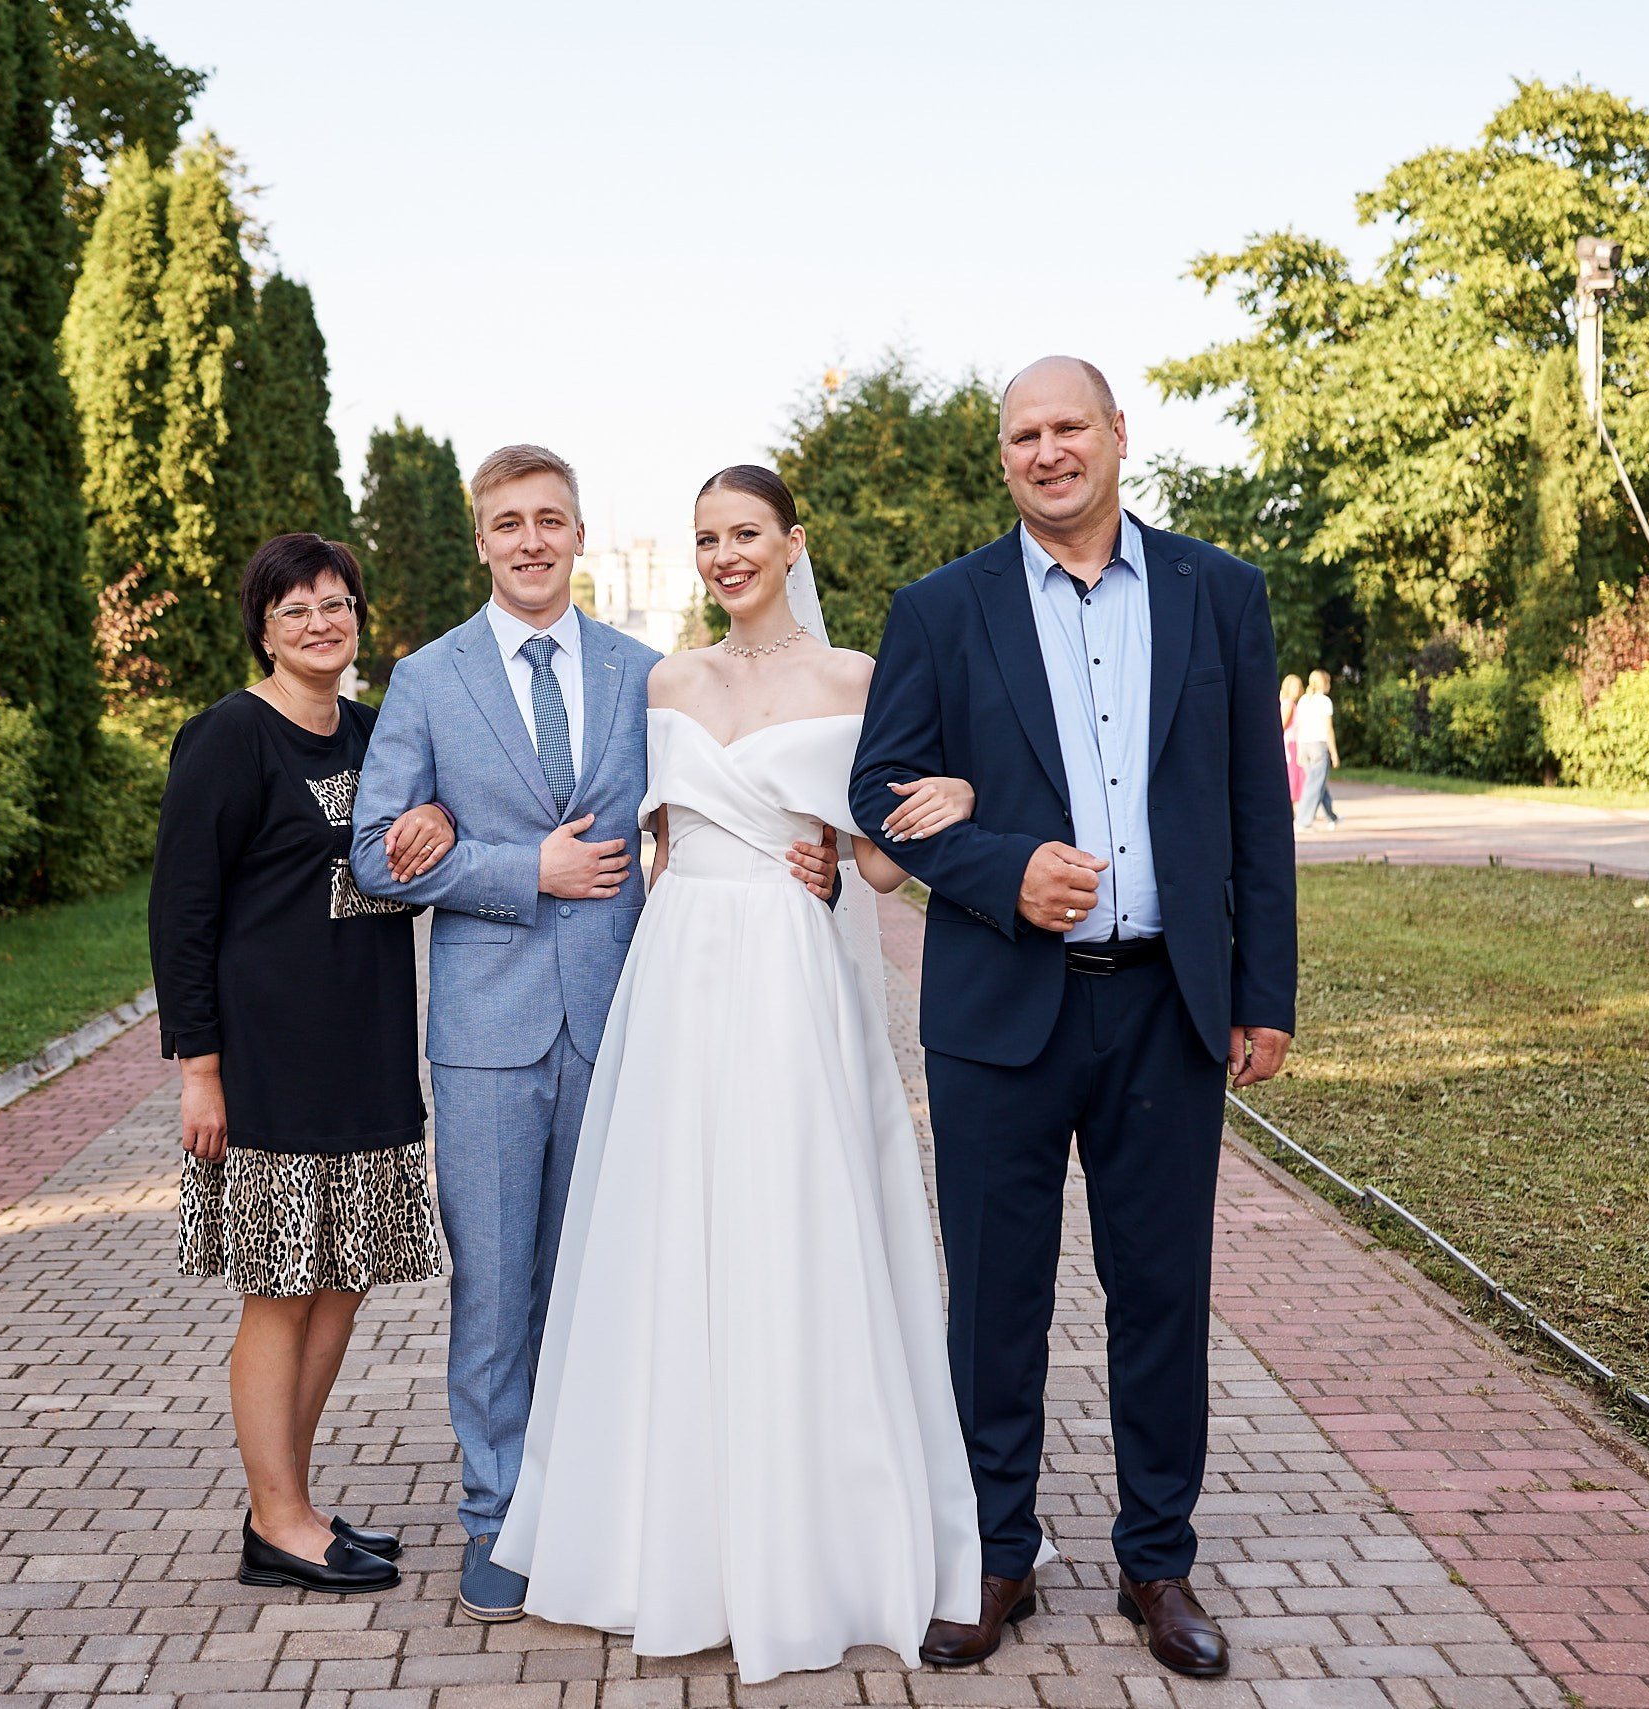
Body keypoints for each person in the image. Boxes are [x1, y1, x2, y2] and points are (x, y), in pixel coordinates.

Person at [491, 467, 986, 1682]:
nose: (724, 555)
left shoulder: (856, 678)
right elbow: (648, 834)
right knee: (672, 1233)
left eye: (745, 534)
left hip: (790, 966)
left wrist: (950, 800)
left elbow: (877, 863)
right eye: (707, 537)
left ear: (789, 542)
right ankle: (668, 1533)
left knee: (793, 1225)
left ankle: (812, 1533)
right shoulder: (667, 679)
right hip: (682, 972)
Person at [850, 357, 1297, 1678]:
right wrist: (1004, 868)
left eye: (1067, 428)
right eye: (1022, 435)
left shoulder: (1221, 593)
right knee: (995, 1299)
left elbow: (1254, 812)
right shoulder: (942, 609)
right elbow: (881, 790)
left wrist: (1261, 991)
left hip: (1167, 1004)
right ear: (1005, 459)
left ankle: (1158, 1563)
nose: (1047, 452)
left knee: (1161, 1293)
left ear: (1117, 435)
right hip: (997, 1012)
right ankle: (999, 1555)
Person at [347, 445, 660, 1623]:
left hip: (622, 1019)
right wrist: (519, 867)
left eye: (550, 519)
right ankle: (496, 1517)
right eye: (507, 523)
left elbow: (689, 820)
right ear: (479, 540)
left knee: (599, 1277)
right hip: (485, 1033)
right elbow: (377, 852)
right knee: (493, 1285)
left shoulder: (646, 673)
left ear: (580, 533)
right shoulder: (427, 679)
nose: (530, 539)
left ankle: (593, 1503)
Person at [148, 533, 460, 1596]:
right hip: (269, 1058)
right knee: (281, 1289)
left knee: (343, 1277)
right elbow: (180, 914)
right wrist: (200, 1067)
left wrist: (433, 818)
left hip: (367, 1045)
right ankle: (276, 1518)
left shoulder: (380, 735)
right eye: (297, 610)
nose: (321, 622)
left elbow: (419, 852)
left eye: (338, 603)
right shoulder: (229, 738)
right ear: (264, 628)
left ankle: (291, 1502)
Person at [1292, 667, 1341, 831]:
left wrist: (1299, 750)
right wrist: (1334, 753)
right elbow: (1328, 729)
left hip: (1305, 746)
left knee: (1317, 783)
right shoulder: (1324, 701)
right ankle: (1303, 821)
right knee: (1314, 785)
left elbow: (1299, 727)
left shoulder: (1304, 700)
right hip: (1318, 746)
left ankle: (1331, 817)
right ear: (1324, 684)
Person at [1278, 672, 1306, 808]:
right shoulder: (1288, 705)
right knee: (1294, 776)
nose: (1298, 690)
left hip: (1291, 742)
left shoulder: (1289, 704)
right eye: (1295, 687)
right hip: (1291, 744)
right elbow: (1282, 725)